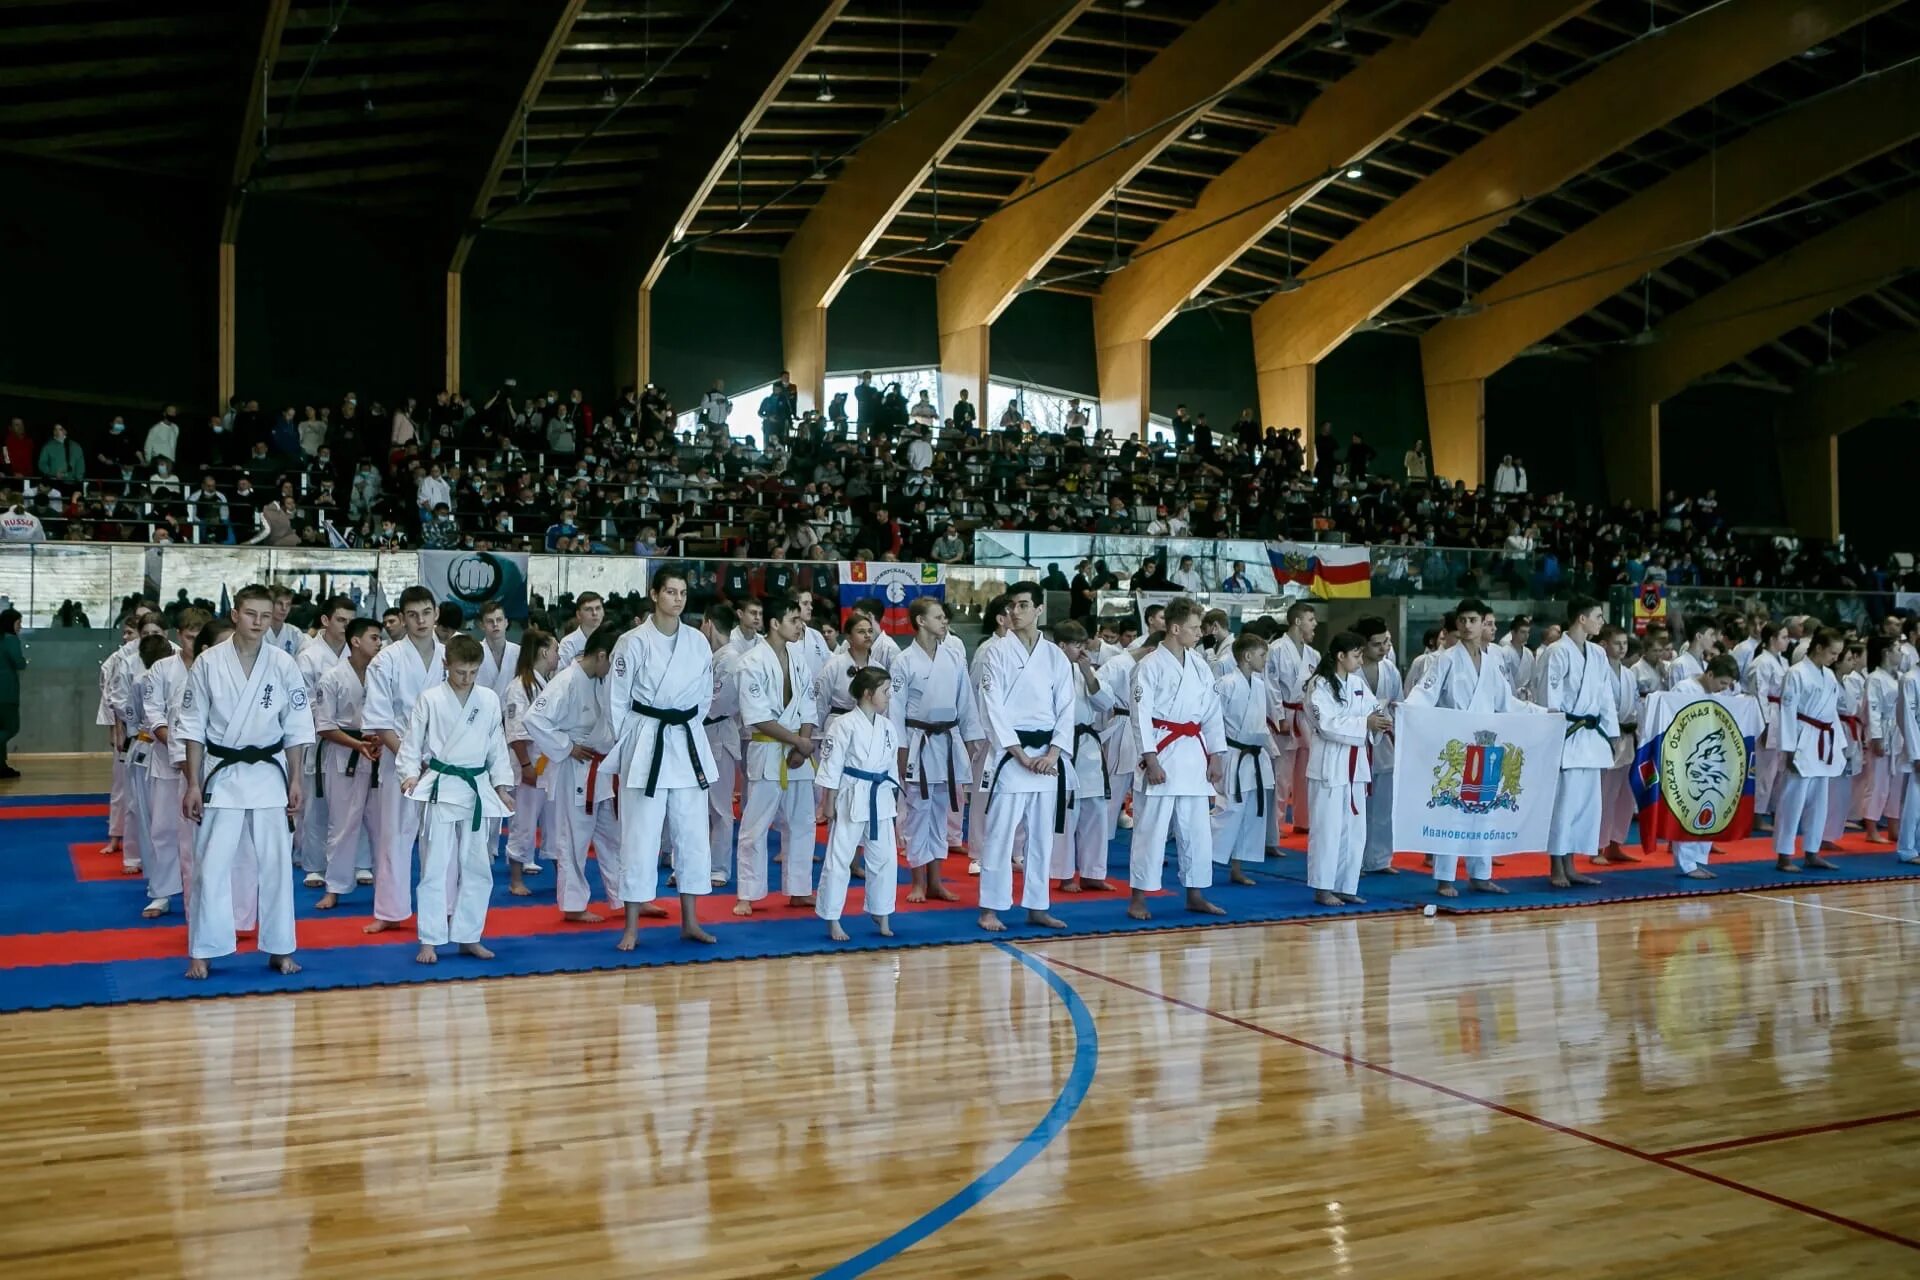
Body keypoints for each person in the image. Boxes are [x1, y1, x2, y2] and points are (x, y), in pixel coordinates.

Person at [176, 583, 315, 980]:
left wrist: (295, 779)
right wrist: (192, 783)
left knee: (277, 865)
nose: (258, 622)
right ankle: (203, 950)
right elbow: (193, 728)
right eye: (251, 614)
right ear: (235, 614)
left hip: (270, 773)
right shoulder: (208, 663)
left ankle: (280, 948)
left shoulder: (283, 664)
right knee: (211, 865)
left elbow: (297, 726)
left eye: (265, 616)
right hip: (223, 774)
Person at [606, 567, 721, 949]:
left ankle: (690, 920)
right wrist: (631, 744)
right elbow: (617, 700)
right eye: (670, 592)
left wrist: (684, 723)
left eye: (683, 593)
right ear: (654, 595)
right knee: (640, 836)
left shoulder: (697, 642)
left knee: (691, 836)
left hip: (686, 740)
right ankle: (632, 927)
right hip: (646, 742)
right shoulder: (632, 641)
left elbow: (705, 695)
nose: (677, 599)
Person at [1403, 598, 1541, 896]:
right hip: (1454, 744)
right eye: (1462, 620)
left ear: (1483, 623)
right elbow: (1423, 694)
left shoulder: (1493, 661)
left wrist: (1541, 713)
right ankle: (1445, 877)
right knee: (1452, 810)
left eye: (1473, 620)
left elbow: (1506, 703)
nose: (1466, 626)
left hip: (1486, 744)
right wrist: (1406, 709)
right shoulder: (1445, 659)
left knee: (1485, 809)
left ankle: (1480, 874)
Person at [395, 634, 516, 964]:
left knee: (478, 866)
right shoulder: (431, 699)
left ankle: (469, 935)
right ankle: (430, 940)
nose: (467, 678)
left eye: (473, 672)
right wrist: (408, 773)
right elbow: (411, 742)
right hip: (441, 786)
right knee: (434, 866)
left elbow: (496, 745)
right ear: (446, 665)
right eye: (461, 671)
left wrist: (503, 785)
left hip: (476, 786)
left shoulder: (489, 700)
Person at [975, 582, 1072, 932]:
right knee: (1000, 834)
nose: (1016, 612)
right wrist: (1016, 752)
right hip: (1011, 758)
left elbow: (1066, 706)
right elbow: (992, 708)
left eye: (1024, 605)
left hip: (1047, 758)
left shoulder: (1055, 656)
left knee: (1042, 835)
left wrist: (1055, 752)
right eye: (1012, 605)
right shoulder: (996, 652)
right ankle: (990, 907)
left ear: (1039, 609)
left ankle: (1037, 905)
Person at [1125, 597, 1227, 920]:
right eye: (1195, 628)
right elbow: (1139, 715)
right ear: (1175, 628)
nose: (1200, 633)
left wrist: (1216, 754)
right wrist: (1150, 759)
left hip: (1194, 756)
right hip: (1163, 751)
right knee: (1150, 830)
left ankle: (1195, 894)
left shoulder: (1199, 665)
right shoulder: (1149, 666)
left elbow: (1212, 713)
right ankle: (1138, 898)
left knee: (1196, 830)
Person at [525, 627, 624, 923]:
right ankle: (573, 905)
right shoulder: (566, 681)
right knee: (574, 839)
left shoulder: (601, 679)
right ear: (602, 655)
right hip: (575, 769)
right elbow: (534, 719)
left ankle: (626, 897)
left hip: (602, 769)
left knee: (613, 836)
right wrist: (567, 746)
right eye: (615, 661)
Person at [361, 586, 445, 934]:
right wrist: (411, 759)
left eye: (426, 612)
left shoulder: (451, 655)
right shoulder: (386, 660)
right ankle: (390, 911)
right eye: (412, 614)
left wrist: (439, 759)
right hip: (400, 760)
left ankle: (443, 906)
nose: (421, 620)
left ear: (436, 613)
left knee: (440, 838)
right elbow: (379, 720)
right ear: (402, 618)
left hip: (443, 761)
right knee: (394, 834)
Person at [890, 597, 980, 903]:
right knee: (917, 812)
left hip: (947, 742)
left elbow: (966, 704)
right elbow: (895, 711)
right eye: (939, 617)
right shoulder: (903, 661)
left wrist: (968, 745)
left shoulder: (954, 658)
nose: (944, 622)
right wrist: (900, 754)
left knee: (941, 813)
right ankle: (917, 882)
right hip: (918, 741)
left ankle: (936, 881)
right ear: (920, 621)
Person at [736, 594, 819, 915]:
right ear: (774, 623)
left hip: (799, 752)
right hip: (768, 751)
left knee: (803, 823)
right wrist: (798, 742)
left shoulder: (799, 658)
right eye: (794, 620)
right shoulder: (751, 663)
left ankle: (798, 889)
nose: (800, 626)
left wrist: (804, 741)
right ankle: (747, 893)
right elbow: (757, 717)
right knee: (755, 827)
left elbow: (809, 705)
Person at [814, 667, 902, 941]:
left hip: (881, 797)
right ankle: (832, 919)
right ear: (868, 693)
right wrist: (827, 803)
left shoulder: (887, 727)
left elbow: (891, 769)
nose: (889, 697)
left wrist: (894, 802)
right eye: (885, 692)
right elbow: (831, 765)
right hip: (851, 794)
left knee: (885, 859)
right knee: (839, 859)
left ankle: (882, 912)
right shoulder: (842, 725)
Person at [1304, 631, 1391, 906]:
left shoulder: (1356, 683)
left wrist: (1379, 722)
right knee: (1327, 830)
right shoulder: (1318, 686)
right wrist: (1363, 723)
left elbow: (1374, 711)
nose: (1360, 659)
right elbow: (1327, 724)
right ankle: (1323, 887)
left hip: (1356, 766)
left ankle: (1346, 885)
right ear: (1340, 656)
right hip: (1329, 766)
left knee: (1354, 830)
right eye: (1356, 655)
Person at [134, 608, 206, 915]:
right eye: (189, 636)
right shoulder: (161, 669)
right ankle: (162, 893)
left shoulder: (215, 666)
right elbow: (153, 714)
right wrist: (178, 749)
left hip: (208, 762)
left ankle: (207, 893)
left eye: (199, 637)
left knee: (207, 832)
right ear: (179, 635)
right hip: (167, 761)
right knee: (163, 828)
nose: (195, 643)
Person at [311, 616, 385, 910]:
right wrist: (359, 745)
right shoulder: (332, 678)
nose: (379, 644)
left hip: (381, 754)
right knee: (341, 825)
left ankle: (387, 887)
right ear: (356, 641)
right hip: (345, 755)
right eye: (374, 638)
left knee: (383, 827)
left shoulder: (384, 674)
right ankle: (335, 887)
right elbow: (325, 726)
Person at [1543, 596, 1615, 890]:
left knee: (1586, 806)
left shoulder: (1598, 653)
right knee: (1563, 805)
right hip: (1568, 733)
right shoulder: (1556, 652)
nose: (1602, 621)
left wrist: (1612, 732)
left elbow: (1605, 694)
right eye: (1598, 615)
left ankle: (1571, 865)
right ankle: (1556, 866)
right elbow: (1549, 696)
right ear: (1581, 619)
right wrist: (1554, 732)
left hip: (1591, 737)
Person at [1048, 620, 1114, 895]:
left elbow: (1107, 704)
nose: (1082, 651)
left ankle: (1093, 873)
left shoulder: (1086, 671)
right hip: (1062, 746)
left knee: (1096, 810)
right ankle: (1064, 875)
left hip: (1088, 745)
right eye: (1077, 645)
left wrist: (1088, 673)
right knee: (1066, 812)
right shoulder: (1047, 671)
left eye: (1084, 645)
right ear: (1062, 645)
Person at [1774, 627, 1846, 873]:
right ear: (1818, 648)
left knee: (1819, 801)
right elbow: (1787, 712)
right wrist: (1789, 749)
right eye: (1833, 653)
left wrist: (1840, 745)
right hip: (1803, 739)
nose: (1835, 658)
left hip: (1824, 741)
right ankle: (1784, 855)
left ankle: (1812, 852)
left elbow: (1832, 713)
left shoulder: (1829, 675)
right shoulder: (1796, 673)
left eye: (1838, 654)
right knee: (1792, 799)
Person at [1212, 630, 1272, 887]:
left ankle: (1237, 867)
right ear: (1247, 656)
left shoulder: (1259, 685)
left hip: (1254, 756)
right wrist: (1212, 754)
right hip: (1232, 754)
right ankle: (1201, 856)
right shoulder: (1225, 684)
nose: (1265, 660)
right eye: (1262, 655)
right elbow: (1212, 721)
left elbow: (1260, 723)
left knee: (1249, 813)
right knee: (1228, 810)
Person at [502, 628, 557, 897]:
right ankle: (515, 880)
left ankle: (565, 880)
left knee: (557, 824)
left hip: (551, 766)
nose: (557, 656)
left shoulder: (545, 684)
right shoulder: (519, 687)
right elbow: (514, 731)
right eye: (555, 649)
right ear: (545, 651)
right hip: (532, 766)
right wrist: (526, 766)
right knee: (523, 824)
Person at [700, 603, 744, 889]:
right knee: (699, 807)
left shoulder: (730, 660)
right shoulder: (714, 657)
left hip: (719, 732)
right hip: (703, 735)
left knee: (719, 807)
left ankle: (719, 868)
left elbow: (717, 705)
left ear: (709, 622)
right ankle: (699, 864)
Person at [1355, 616, 1403, 876]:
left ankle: (1380, 859)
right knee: (1357, 806)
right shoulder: (1351, 671)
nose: (1384, 648)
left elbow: (1399, 705)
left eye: (1386, 642)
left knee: (1383, 805)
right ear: (1362, 645)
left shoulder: (1391, 670)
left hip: (1384, 742)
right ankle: (1356, 859)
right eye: (1377, 644)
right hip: (1357, 742)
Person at [1268, 601, 1319, 840]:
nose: (1315, 624)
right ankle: (1275, 825)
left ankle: (1303, 820)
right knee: (1282, 773)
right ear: (1297, 621)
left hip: (1305, 717)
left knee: (1306, 770)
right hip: (1285, 717)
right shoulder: (1276, 649)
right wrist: (1279, 716)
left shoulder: (1313, 654)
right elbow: (1271, 686)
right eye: (1311, 619)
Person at [1596, 626, 1643, 865]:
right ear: (1604, 645)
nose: (1623, 648)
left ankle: (1615, 844)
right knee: (1604, 794)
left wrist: (1639, 731)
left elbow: (1636, 704)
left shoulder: (1628, 674)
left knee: (1625, 795)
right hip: (1606, 738)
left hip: (1627, 737)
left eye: (1625, 643)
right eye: (1617, 643)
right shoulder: (1598, 671)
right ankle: (1597, 847)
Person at [1744, 623, 1790, 831]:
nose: (1787, 641)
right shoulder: (1761, 662)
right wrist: (1764, 725)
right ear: (1772, 638)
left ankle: (1771, 810)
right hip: (1767, 715)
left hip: (1781, 713)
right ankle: (1756, 815)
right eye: (1784, 637)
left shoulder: (1783, 661)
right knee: (1763, 769)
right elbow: (1758, 694)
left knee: (1777, 768)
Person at [1858, 635, 1902, 844]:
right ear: (1886, 652)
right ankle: (1871, 830)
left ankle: (1894, 828)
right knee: (1877, 783)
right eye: (1897, 649)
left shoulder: (1899, 676)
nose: (1900, 654)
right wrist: (1876, 737)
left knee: (1896, 784)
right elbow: (1872, 710)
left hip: (1898, 734)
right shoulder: (1875, 678)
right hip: (1883, 731)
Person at [475, 599, 519, 700]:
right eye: (490, 621)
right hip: (482, 709)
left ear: (506, 623)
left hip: (511, 710)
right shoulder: (474, 652)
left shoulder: (518, 652)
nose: (495, 624)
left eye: (499, 620)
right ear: (482, 625)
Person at [554, 592, 606, 669]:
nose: (594, 613)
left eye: (598, 608)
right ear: (578, 614)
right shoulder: (568, 643)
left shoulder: (610, 639)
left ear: (603, 612)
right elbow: (561, 675)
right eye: (588, 609)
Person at [0, 609, 23, 779]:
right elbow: (19, 662)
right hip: (6, 692)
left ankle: (1, 766)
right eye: (18, 623)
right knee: (11, 727)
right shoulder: (11, 640)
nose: (20, 627)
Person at [1667, 616, 1718, 691]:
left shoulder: (1706, 665)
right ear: (1699, 636)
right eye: (1711, 635)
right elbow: (1674, 698)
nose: (1714, 639)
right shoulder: (1678, 665)